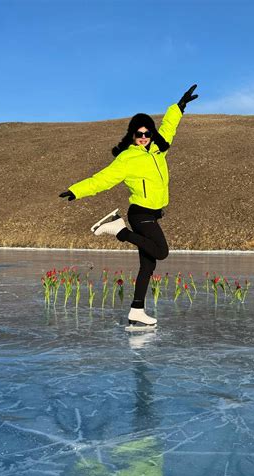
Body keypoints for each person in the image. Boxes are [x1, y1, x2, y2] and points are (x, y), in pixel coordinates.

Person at [60, 84, 199, 328]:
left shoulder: (158, 150)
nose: (144, 137)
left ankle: (137, 311)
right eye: (139, 134)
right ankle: (119, 230)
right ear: (132, 135)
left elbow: (169, 127)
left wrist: (179, 107)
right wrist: (76, 190)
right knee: (161, 252)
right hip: (140, 213)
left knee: (148, 264)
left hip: (153, 214)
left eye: (147, 133)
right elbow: (103, 179)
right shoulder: (127, 158)